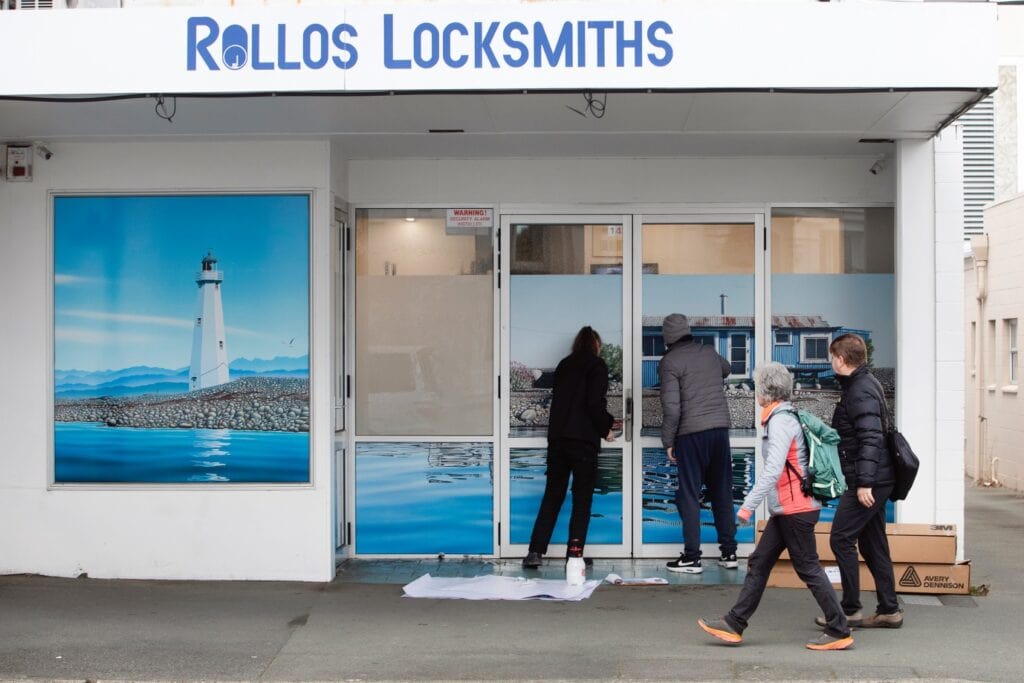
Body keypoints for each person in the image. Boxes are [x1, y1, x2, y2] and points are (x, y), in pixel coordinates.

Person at [697, 362, 854, 651]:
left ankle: (839, 629)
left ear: (766, 392)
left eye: (757, 387)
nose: (755, 392)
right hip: (789, 510)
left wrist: (747, 507)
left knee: (808, 567)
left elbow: (773, 470)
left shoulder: (780, 422)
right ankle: (734, 623)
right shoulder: (783, 416)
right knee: (759, 563)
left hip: (795, 509)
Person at [821, 332, 902, 628]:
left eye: (832, 357)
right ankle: (889, 610)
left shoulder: (860, 390)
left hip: (869, 480)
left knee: (841, 538)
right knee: (873, 544)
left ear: (841, 360)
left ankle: (850, 609)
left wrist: (864, 483)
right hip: (876, 477)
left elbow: (871, 438)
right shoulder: (863, 384)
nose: (831, 362)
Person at [522, 326, 615, 568]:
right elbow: (594, 403)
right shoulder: (597, 365)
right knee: (582, 500)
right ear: (596, 345)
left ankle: (535, 552)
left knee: (552, 495)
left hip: (558, 440)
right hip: (583, 442)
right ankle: (574, 555)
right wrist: (606, 428)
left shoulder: (564, 364)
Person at [659, 313, 737, 573]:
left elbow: (672, 409)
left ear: (667, 337)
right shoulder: (708, 352)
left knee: (689, 495)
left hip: (691, 433)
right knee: (722, 492)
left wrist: (668, 440)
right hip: (719, 431)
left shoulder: (670, 361)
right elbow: (727, 368)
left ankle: (692, 557)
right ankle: (729, 553)